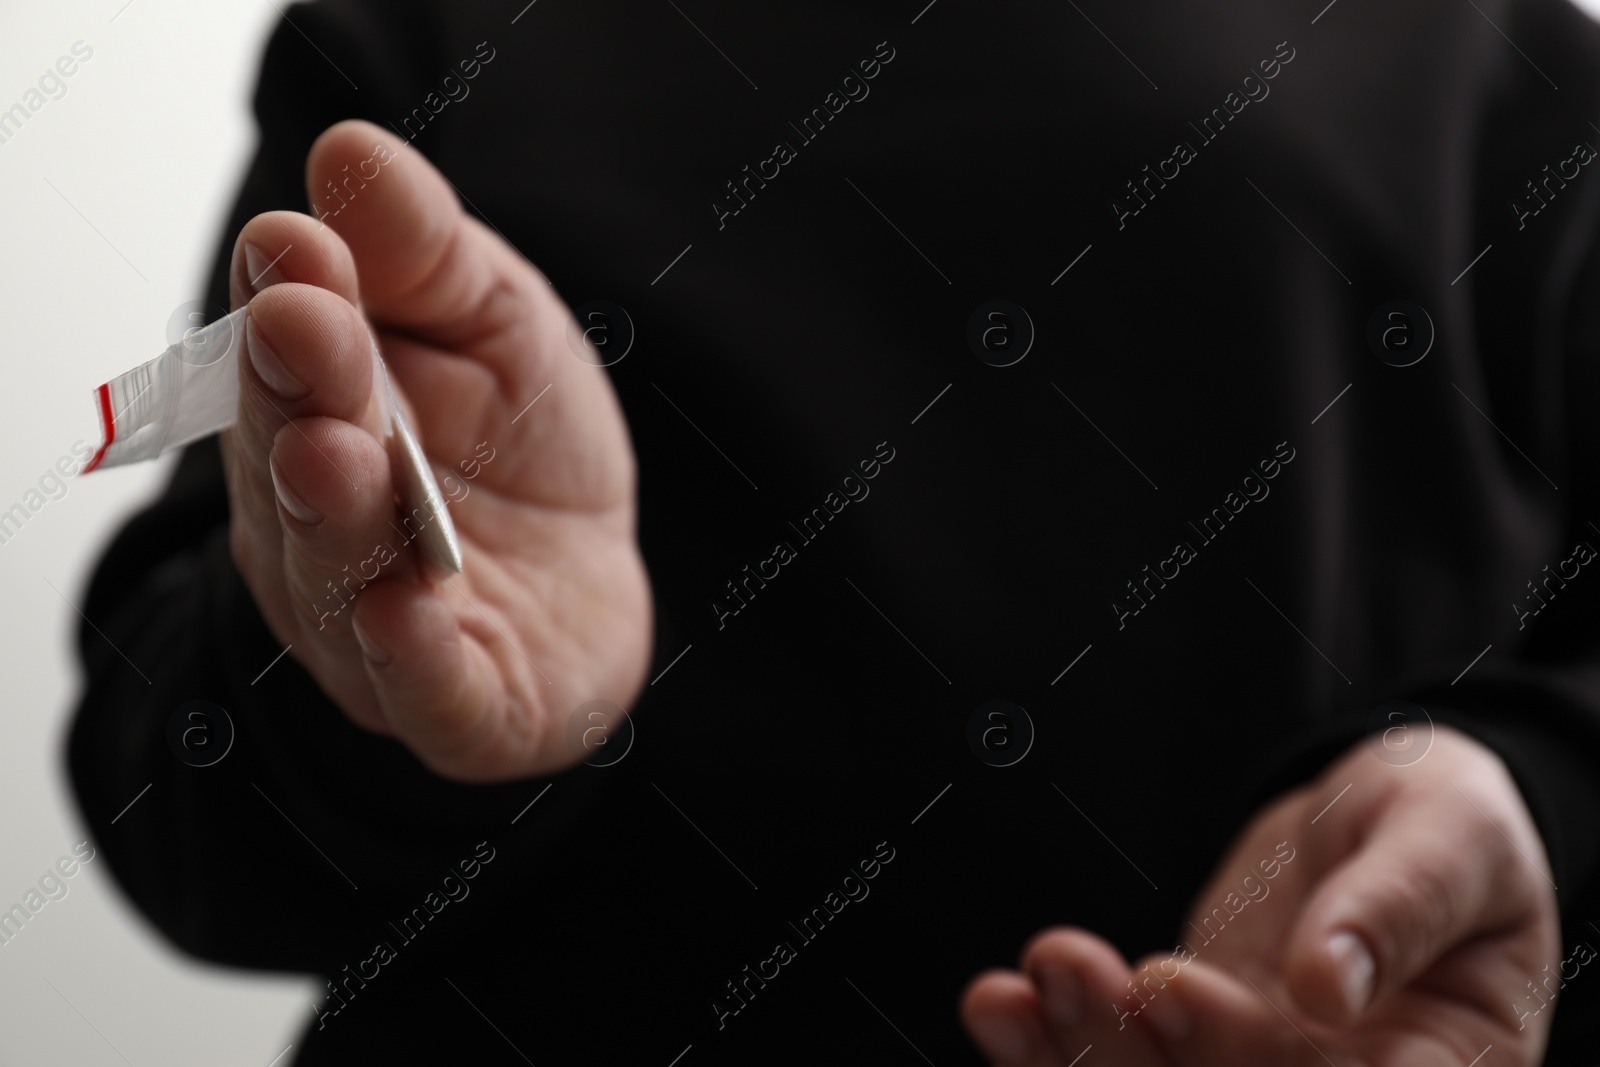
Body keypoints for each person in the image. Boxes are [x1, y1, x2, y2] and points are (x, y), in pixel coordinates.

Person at [67, 0, 1600, 1062]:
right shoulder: (429, 36)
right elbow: (174, 811)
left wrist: (1523, 794)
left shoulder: (1506, 69)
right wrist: (370, 687)